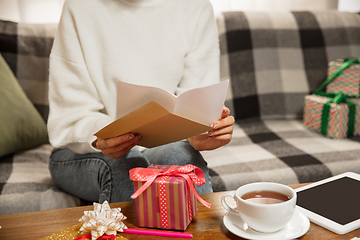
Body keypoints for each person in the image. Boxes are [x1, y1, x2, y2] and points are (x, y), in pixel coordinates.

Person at [47, 0, 235, 204]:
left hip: (163, 145)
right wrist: (104, 137)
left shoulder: (196, 7)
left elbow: (194, 103)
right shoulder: (80, 6)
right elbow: (71, 114)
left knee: (182, 158)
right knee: (128, 166)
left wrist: (199, 132)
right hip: (81, 150)